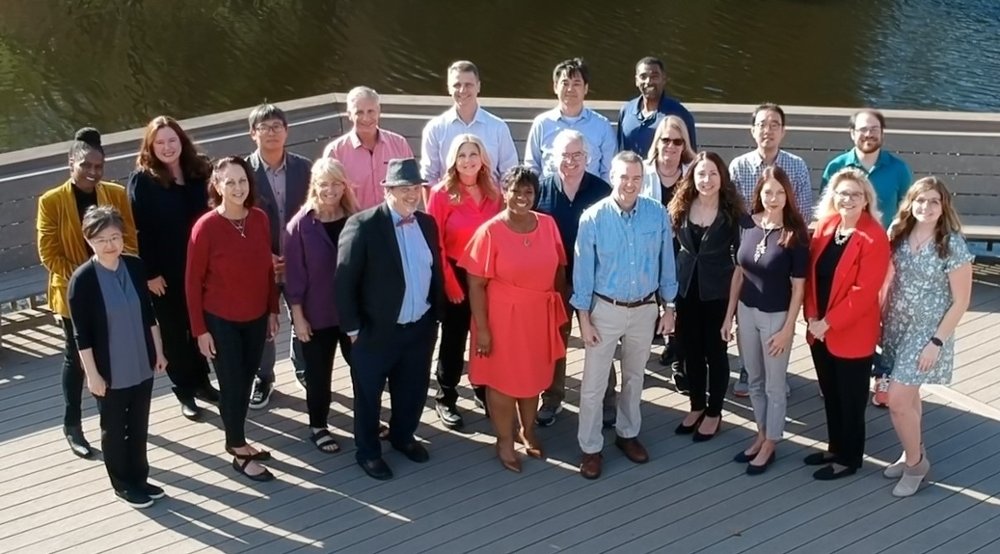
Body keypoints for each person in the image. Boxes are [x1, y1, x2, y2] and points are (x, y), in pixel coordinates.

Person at [335, 158, 445, 481]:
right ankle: (368, 452)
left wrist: (434, 318)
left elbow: (433, 271)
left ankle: (402, 436)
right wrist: (353, 329)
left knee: (412, 390)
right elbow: (344, 282)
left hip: (419, 328)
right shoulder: (363, 225)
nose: (412, 195)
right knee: (368, 396)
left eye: (416, 188)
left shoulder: (427, 223)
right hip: (375, 332)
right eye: (404, 189)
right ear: (388, 190)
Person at [572, 151, 678, 480]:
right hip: (605, 309)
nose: (629, 184)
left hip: (645, 309)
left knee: (634, 378)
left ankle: (627, 434)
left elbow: (666, 263)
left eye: (636, 178)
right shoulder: (592, 218)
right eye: (623, 177)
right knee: (593, 383)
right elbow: (583, 273)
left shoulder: (656, 213)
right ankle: (591, 447)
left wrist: (669, 306)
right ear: (612, 176)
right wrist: (584, 318)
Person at [36, 127, 137, 459]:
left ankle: (112, 420)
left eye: (99, 166)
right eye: (86, 166)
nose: (93, 173)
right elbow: (49, 253)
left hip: (116, 288)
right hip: (73, 292)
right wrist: (87, 279)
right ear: (71, 163)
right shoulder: (51, 202)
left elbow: (130, 240)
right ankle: (73, 424)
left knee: (112, 354)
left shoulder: (115, 194)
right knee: (77, 358)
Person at [460, 166, 568, 472]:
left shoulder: (548, 225)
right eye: (515, 191)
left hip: (538, 314)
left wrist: (559, 315)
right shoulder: (490, 232)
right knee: (504, 381)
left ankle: (527, 429)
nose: (522, 197)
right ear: (504, 192)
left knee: (533, 377)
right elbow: (476, 284)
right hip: (501, 318)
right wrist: (482, 330)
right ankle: (504, 440)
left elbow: (559, 270)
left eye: (528, 192)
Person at [186, 156, 280, 482]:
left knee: (248, 377)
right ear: (217, 186)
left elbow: (266, 269)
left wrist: (272, 309)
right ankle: (237, 450)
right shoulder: (206, 227)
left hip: (255, 317)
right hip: (220, 320)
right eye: (230, 182)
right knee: (233, 384)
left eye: (242, 181)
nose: (238, 188)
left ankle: (239, 438)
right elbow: (192, 282)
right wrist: (200, 330)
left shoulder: (259, 219)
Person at [68, 206, 167, 509]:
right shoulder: (82, 280)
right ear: (89, 241)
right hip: (110, 368)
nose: (110, 245)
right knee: (114, 428)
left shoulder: (136, 267)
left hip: (141, 359)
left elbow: (149, 314)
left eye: (115, 237)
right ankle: (122, 483)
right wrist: (92, 375)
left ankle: (140, 477)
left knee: (138, 424)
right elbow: (80, 335)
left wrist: (159, 352)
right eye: (101, 240)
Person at [881, 177, 973, 496]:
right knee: (909, 396)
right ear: (911, 202)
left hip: (927, 331)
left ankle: (916, 465)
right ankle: (910, 451)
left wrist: (937, 342)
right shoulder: (898, 233)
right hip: (896, 324)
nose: (927, 207)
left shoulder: (952, 244)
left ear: (943, 205)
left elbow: (961, 301)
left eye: (934, 201)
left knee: (896, 400)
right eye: (921, 200)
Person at [820, 108, 913, 407]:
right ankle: (840, 366)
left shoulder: (898, 169)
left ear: (882, 133)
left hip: (884, 252)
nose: (868, 134)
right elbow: (828, 210)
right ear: (852, 134)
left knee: (883, 315)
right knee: (847, 307)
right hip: (845, 253)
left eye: (874, 129)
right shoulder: (837, 166)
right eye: (862, 129)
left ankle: (882, 373)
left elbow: (906, 213)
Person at [128, 116, 218, 421]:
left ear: (182, 141)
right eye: (160, 142)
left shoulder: (199, 171)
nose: (167, 147)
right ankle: (184, 391)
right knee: (174, 331)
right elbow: (138, 232)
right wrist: (149, 273)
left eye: (172, 140)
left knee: (197, 327)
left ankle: (203, 383)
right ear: (151, 146)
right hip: (163, 274)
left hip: (200, 268)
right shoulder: (143, 180)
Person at [803, 167, 890, 481]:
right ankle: (835, 446)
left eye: (856, 194)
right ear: (833, 197)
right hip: (819, 328)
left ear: (866, 199)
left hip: (851, 331)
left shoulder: (874, 236)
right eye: (843, 193)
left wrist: (828, 323)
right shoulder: (826, 226)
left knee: (851, 398)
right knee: (830, 391)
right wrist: (813, 316)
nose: (849, 199)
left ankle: (850, 457)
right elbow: (812, 277)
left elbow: (864, 292)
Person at [721, 167, 808, 475]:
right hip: (746, 311)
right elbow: (739, 271)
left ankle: (771, 442)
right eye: (768, 192)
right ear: (759, 193)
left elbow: (799, 287)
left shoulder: (795, 233)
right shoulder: (747, 224)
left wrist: (788, 330)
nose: (773, 199)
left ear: (788, 196)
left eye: (780, 193)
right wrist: (729, 315)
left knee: (774, 385)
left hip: (775, 317)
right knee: (753, 380)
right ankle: (760, 433)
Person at [728, 103, 813, 398]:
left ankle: (776, 369)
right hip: (750, 240)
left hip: (783, 244)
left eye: (774, 124)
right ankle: (748, 368)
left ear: (783, 131)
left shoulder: (796, 166)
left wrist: (783, 241)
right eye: (762, 124)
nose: (768, 130)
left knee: (777, 305)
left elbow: (801, 211)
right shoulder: (739, 166)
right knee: (747, 299)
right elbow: (733, 210)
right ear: (753, 130)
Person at [532, 129, 615, 427]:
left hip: (594, 278)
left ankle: (607, 400)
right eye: (565, 155)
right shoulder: (540, 191)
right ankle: (552, 397)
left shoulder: (602, 191)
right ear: (554, 158)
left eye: (577, 155)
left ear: (587, 157)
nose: (571, 161)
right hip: (553, 279)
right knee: (555, 340)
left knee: (599, 338)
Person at [426, 134, 503, 429]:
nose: (468, 161)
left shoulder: (494, 193)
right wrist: (451, 284)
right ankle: (446, 396)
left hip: (487, 276)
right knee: (454, 338)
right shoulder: (441, 194)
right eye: (462, 156)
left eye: (473, 154)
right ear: (453, 161)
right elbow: (436, 245)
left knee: (485, 334)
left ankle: (483, 389)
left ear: (482, 158)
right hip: (455, 273)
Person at [284, 158, 360, 454]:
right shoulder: (300, 226)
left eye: (336, 183)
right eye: (324, 183)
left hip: (351, 311)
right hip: (317, 314)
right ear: (314, 185)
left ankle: (367, 418)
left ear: (344, 185)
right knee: (318, 374)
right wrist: (299, 318)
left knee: (363, 369)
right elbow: (294, 277)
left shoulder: (355, 217)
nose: (330, 190)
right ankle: (319, 426)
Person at [669, 152, 744, 443]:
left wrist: (732, 313)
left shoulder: (732, 215)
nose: (707, 180)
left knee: (716, 353)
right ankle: (696, 406)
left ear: (721, 177)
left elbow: (741, 263)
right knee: (691, 352)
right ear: (692, 177)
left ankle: (714, 412)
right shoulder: (681, 207)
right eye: (701, 174)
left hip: (717, 293)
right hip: (685, 291)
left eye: (712, 173)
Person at [245, 102, 311, 409]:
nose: (271, 133)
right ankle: (264, 377)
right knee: (263, 324)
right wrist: (262, 256)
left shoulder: (305, 168)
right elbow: (235, 220)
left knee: (304, 316)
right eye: (264, 127)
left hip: (300, 261)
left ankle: (302, 367)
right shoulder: (242, 173)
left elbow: (315, 213)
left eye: (277, 127)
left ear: (287, 131)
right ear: (252, 134)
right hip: (261, 264)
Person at [640, 115, 695, 382]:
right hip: (647, 249)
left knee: (680, 304)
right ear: (657, 142)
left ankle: (680, 363)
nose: (671, 146)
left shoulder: (693, 173)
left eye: (677, 141)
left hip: (683, 249)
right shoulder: (642, 170)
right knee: (650, 305)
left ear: (684, 144)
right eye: (665, 140)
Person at [420, 60, 519, 184]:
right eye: (457, 85)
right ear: (448, 88)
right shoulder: (435, 129)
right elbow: (429, 176)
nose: (462, 90)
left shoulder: (498, 127)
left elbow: (509, 175)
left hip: (489, 200)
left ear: (478, 86)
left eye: (468, 85)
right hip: (449, 200)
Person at [323, 86, 414, 211]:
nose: (366, 118)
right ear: (349, 115)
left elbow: (411, 187)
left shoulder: (399, 144)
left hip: (394, 222)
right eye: (359, 112)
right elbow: (329, 199)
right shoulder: (336, 152)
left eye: (371, 111)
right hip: (355, 223)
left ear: (379, 111)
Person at [524, 58, 616, 181]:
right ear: (555, 87)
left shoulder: (601, 125)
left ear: (586, 88)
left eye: (576, 84)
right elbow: (532, 167)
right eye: (565, 83)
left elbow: (609, 172)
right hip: (551, 195)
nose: (570, 89)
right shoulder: (542, 123)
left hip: (592, 196)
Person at [618, 56, 697, 156]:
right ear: (636, 81)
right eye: (643, 77)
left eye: (654, 77)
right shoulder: (626, 111)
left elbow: (691, 158)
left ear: (664, 79)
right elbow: (621, 153)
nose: (648, 82)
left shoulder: (680, 115)